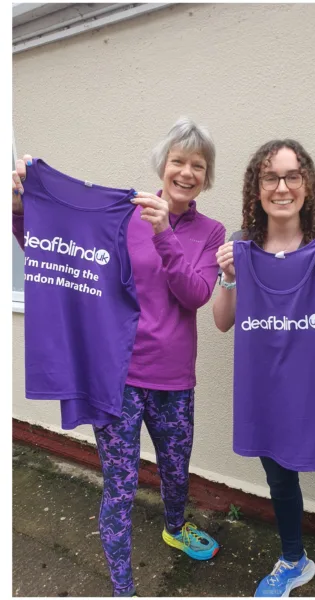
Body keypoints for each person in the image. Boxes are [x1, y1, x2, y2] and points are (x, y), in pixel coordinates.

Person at [11, 117, 227, 597]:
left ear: (206, 177)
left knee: (175, 472)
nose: (187, 172)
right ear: (163, 165)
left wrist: (165, 232)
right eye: (179, 161)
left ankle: (174, 527)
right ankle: (123, 586)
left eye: (198, 165)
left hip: (174, 382)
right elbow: (59, 254)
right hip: (119, 378)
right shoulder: (121, 216)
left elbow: (194, 294)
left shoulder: (211, 232)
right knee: (121, 485)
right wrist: (23, 210)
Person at [212, 139, 315, 597]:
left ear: (306, 183)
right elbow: (222, 321)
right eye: (271, 177)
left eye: (292, 175)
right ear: (257, 187)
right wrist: (228, 277)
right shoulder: (241, 245)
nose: (282, 186)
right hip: (267, 390)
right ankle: (294, 560)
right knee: (281, 485)